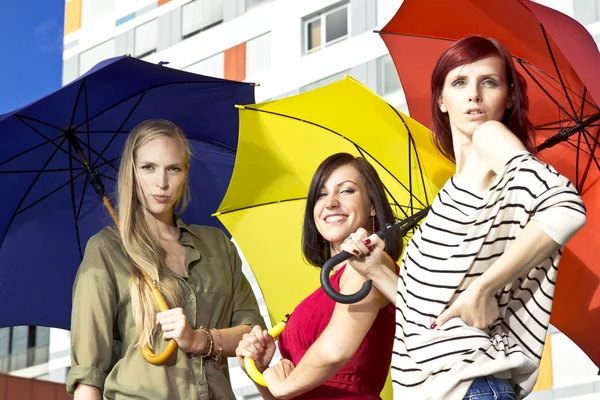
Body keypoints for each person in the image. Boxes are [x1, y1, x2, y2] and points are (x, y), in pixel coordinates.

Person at [341, 36, 587, 399]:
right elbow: (432, 318)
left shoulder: (491, 137)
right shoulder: (450, 191)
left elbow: (565, 207)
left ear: (509, 98)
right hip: (442, 388)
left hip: (470, 383)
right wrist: (377, 269)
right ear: (441, 99)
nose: (474, 94)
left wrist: (483, 288)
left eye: (489, 82)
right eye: (459, 82)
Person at [67, 119, 264, 399]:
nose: (161, 183)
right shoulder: (106, 249)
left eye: (173, 168)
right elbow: (88, 374)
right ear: (131, 172)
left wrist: (201, 340)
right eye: (148, 168)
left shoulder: (217, 245)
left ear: (186, 172)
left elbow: (253, 331)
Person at [235, 153, 403, 399]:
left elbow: (334, 352)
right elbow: (288, 394)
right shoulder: (322, 292)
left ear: (373, 207)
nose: (331, 203)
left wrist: (282, 387)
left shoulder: (369, 265)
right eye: (321, 195)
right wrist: (259, 370)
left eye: (346, 191)